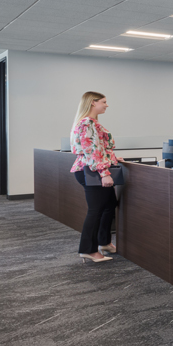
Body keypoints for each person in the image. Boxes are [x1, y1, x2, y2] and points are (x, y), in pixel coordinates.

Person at [69, 91, 122, 264]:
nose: (107, 105)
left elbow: (100, 149)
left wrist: (112, 159)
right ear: (93, 102)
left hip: (94, 169)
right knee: (96, 210)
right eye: (104, 102)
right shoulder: (86, 123)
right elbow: (91, 151)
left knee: (109, 205)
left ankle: (104, 242)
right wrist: (104, 173)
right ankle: (88, 250)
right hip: (91, 171)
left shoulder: (93, 122)